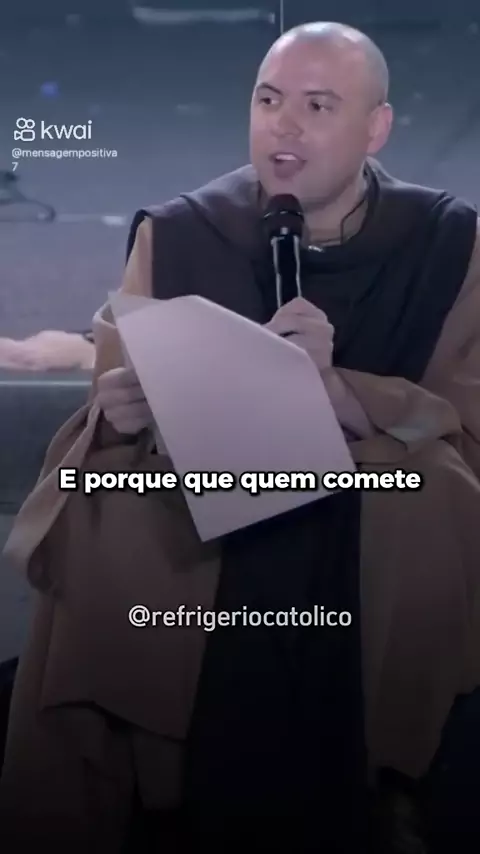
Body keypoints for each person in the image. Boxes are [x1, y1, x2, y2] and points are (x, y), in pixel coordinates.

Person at [2, 20, 480, 854]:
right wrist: (117, 410)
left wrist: (339, 393)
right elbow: (116, 387)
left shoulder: (448, 243)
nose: (282, 126)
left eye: (317, 106)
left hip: (375, 487)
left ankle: (396, 784)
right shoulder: (184, 232)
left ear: (375, 128)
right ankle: (126, 787)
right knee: (110, 495)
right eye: (267, 100)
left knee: (430, 490)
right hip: (202, 483)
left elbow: (462, 418)